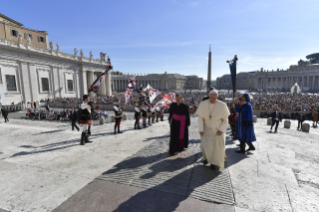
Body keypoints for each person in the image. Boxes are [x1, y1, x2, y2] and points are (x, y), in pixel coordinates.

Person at [196, 90, 229, 170]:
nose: (212, 99)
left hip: (217, 131)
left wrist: (221, 130)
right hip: (206, 130)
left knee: (216, 148)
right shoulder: (203, 104)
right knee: (205, 146)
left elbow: (225, 120)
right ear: (208, 96)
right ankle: (206, 159)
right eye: (210, 97)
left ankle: (214, 163)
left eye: (214, 98)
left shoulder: (222, 105)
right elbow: (200, 119)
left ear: (217, 97)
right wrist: (201, 129)